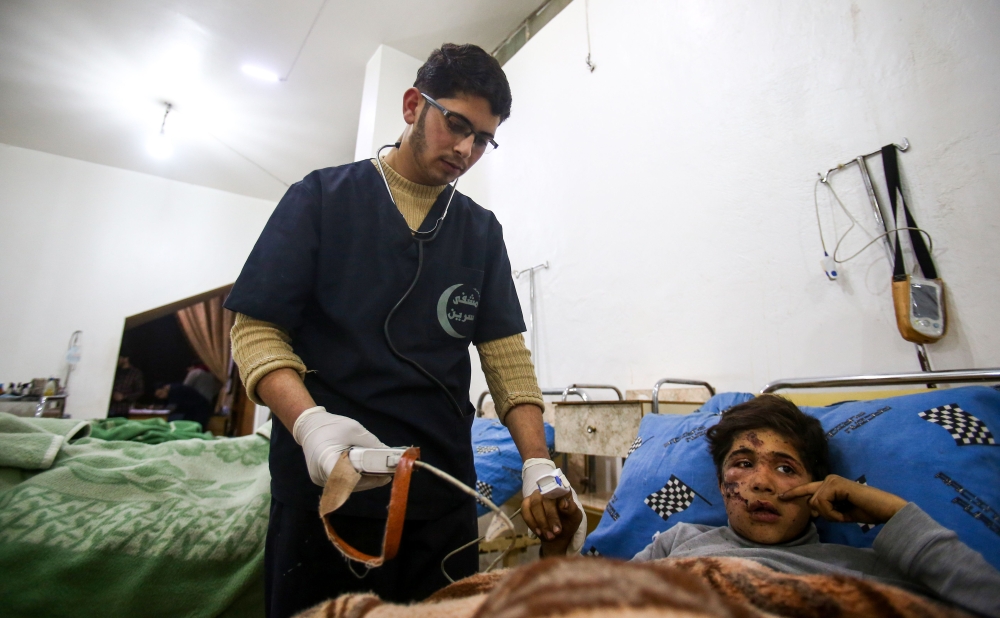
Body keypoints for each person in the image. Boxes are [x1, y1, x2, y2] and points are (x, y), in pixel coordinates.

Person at [224, 43, 584, 617]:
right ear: (414, 105)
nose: (467, 149)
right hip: (328, 480)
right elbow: (256, 331)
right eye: (456, 124)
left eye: (483, 138)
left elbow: (506, 357)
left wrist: (537, 462)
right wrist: (310, 425)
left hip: (438, 487)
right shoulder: (320, 198)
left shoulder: (479, 232)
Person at [538, 395, 999, 617]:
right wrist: (555, 555)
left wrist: (894, 515)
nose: (760, 482)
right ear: (721, 485)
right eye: (743, 463)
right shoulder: (676, 542)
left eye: (785, 468)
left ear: (817, 487)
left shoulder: (863, 565)